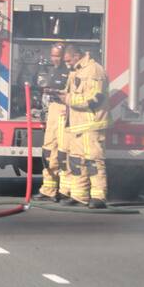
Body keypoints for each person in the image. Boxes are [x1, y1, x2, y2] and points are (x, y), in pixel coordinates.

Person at [59, 44, 110, 208]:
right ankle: (79, 195)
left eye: (68, 60)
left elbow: (94, 99)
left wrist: (68, 99)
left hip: (91, 125)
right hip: (77, 125)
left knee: (93, 161)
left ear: (76, 56)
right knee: (76, 162)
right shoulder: (77, 70)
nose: (67, 64)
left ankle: (98, 197)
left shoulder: (94, 71)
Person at [33, 43, 70, 202]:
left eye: (58, 56)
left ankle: (65, 191)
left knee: (63, 152)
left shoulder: (71, 72)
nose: (55, 59)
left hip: (64, 111)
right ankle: (48, 189)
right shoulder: (54, 70)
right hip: (54, 110)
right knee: (49, 150)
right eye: (53, 55)